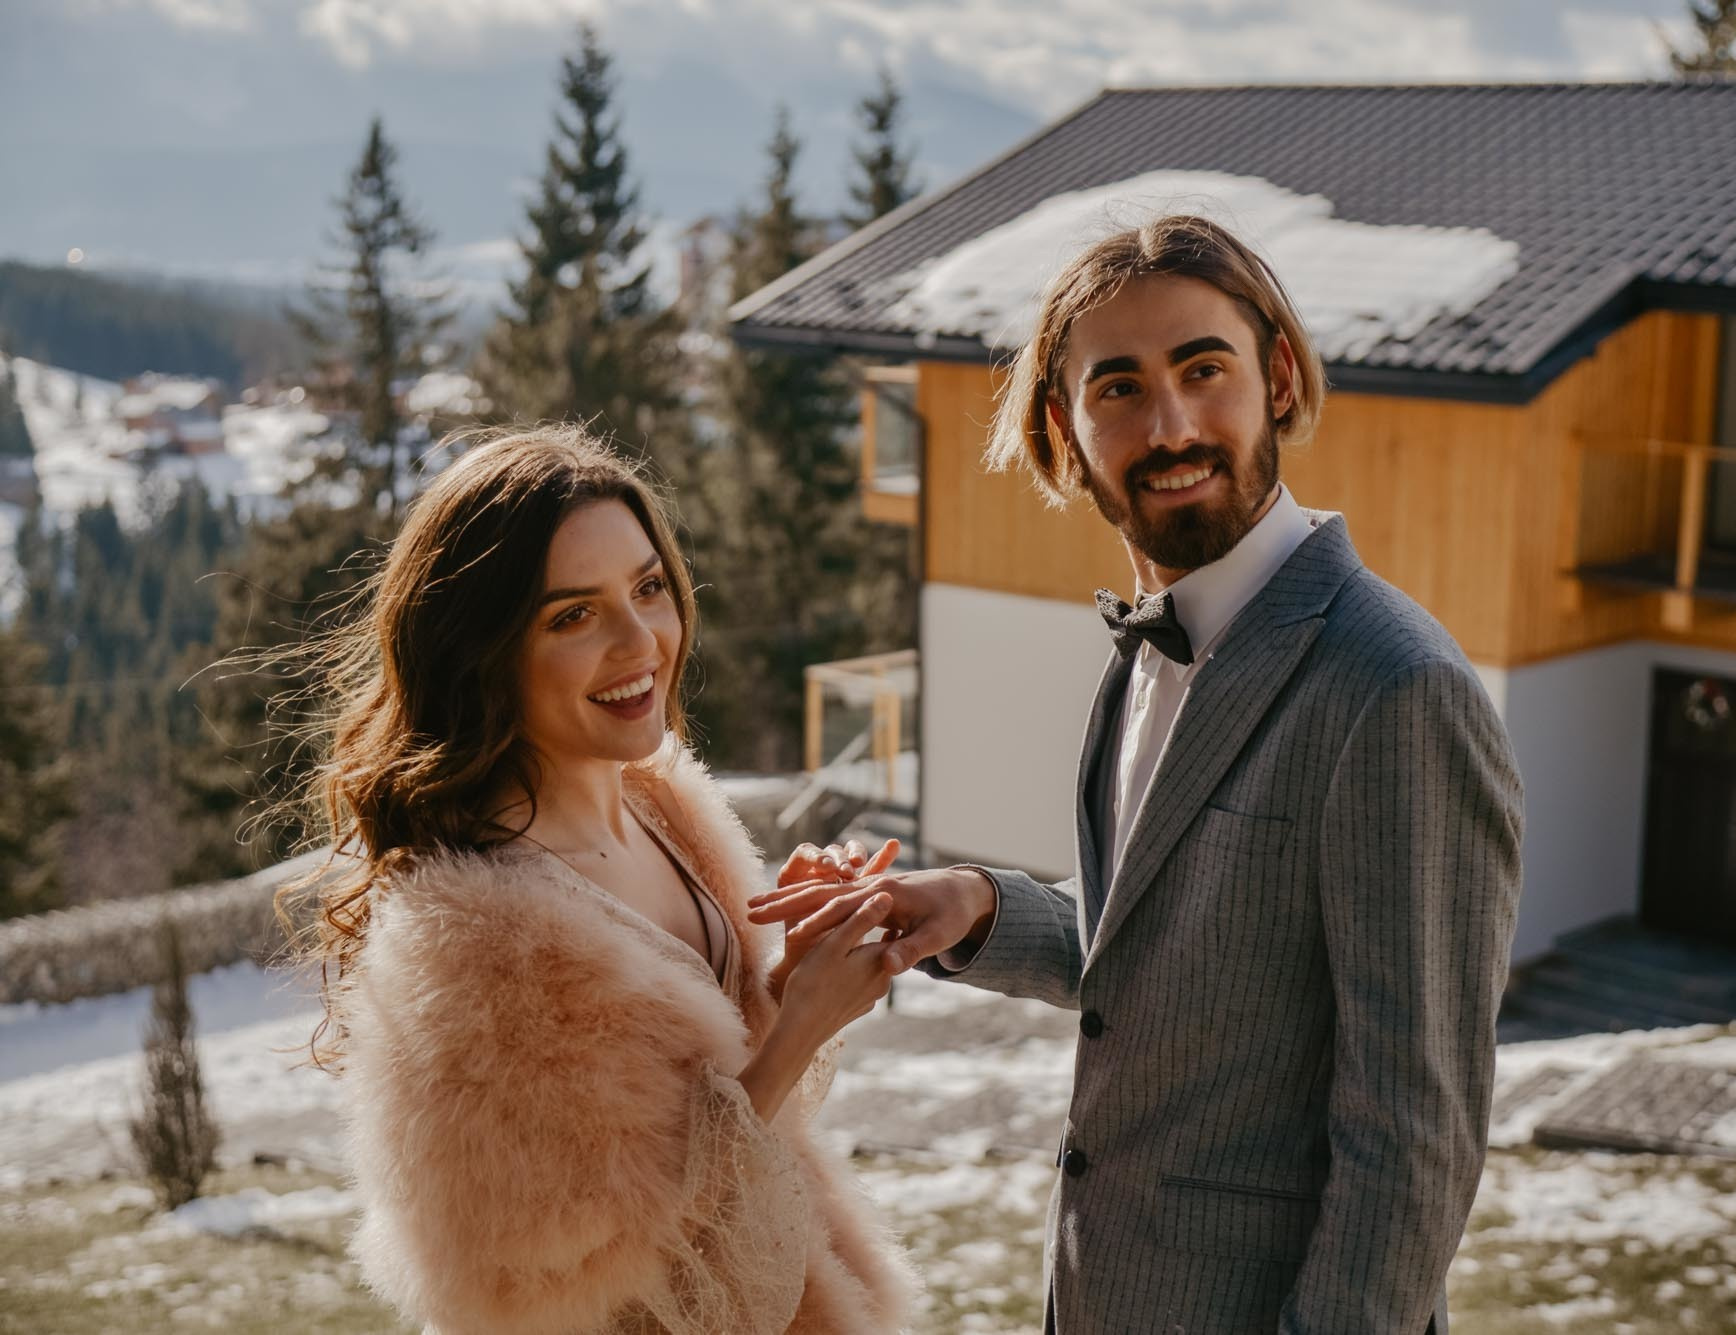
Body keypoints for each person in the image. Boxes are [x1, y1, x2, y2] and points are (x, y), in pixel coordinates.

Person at [753, 215, 1524, 1333]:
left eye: (1203, 370)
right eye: (1118, 388)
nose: (1170, 427)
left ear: (1276, 378)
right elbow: (1172, 956)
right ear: (1063, 433)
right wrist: (975, 906)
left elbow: (1416, 1141)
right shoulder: (1147, 653)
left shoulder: (1396, 690)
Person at [294, 425, 916, 1335]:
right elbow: (608, 1273)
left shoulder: (665, 809)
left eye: (649, 587)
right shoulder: (480, 939)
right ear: (486, 650)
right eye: (572, 616)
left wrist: (795, 979)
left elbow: (699, 1092)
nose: (640, 641)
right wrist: (800, 1031)